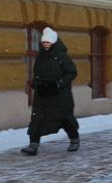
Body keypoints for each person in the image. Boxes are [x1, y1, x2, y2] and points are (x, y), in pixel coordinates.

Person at [23, 27, 80, 155]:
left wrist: (59, 84)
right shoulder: (40, 57)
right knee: (37, 118)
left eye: (47, 42)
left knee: (63, 118)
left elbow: (71, 72)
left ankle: (74, 139)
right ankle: (33, 145)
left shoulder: (62, 56)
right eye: (43, 42)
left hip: (60, 95)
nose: (45, 44)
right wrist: (35, 84)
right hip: (42, 94)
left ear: (53, 42)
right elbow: (36, 74)